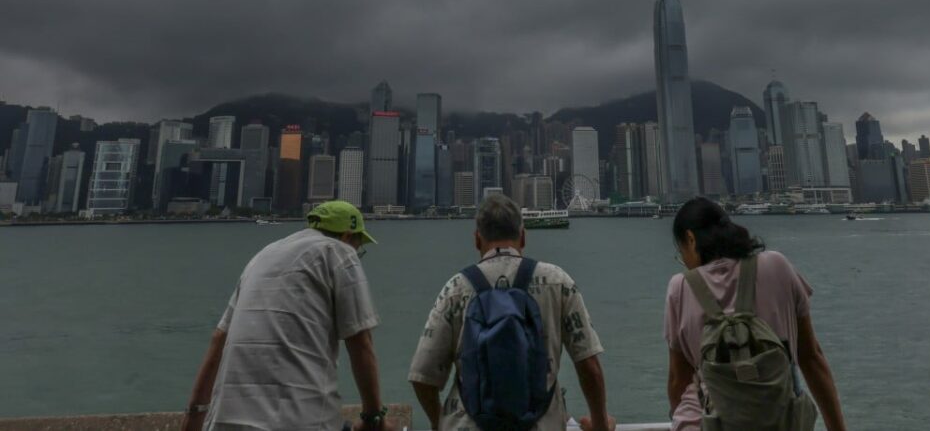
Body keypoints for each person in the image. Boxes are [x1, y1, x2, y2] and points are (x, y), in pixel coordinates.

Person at [408, 194, 615, 431]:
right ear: (523, 236)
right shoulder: (558, 281)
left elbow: (422, 377)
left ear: (477, 240)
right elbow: (589, 365)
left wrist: (439, 423)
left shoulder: (455, 289)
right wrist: (600, 424)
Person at [182, 201, 389, 431]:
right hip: (299, 421)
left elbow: (218, 340)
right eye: (358, 248)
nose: (357, 254)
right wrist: (373, 418)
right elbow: (361, 344)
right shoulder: (340, 252)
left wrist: (193, 416)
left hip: (223, 423)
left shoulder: (263, 256)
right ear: (347, 236)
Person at [665, 198, 846, 431]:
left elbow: (678, 379)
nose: (685, 263)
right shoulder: (777, 265)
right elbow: (811, 358)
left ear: (690, 239)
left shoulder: (680, 287)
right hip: (781, 421)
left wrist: (676, 416)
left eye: (681, 253)